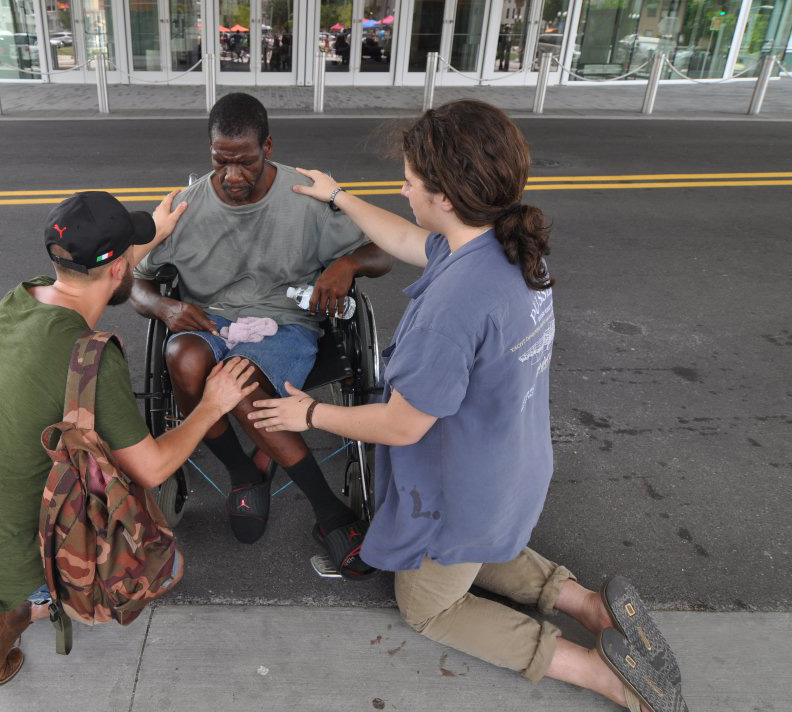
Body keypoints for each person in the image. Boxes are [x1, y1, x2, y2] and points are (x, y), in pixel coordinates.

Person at [249, 100, 686, 711]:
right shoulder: (504, 246)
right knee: (467, 550)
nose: (402, 188)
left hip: (462, 487)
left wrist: (309, 415)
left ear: (447, 197)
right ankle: (590, 604)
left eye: (410, 179)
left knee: (429, 605)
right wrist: (339, 197)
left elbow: (402, 426)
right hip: (510, 464)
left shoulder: (453, 309)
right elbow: (406, 238)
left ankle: (602, 672)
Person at [0, 190, 259, 687]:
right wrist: (211, 405)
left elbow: (106, 272)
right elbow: (151, 468)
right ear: (117, 271)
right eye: (131, 258)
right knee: (161, 558)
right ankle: (23, 609)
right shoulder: (88, 356)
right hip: (10, 556)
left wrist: (149, 234)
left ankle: (9, 599)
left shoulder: (18, 300)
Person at [130, 92, 391, 573]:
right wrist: (165, 307)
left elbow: (383, 250)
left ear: (267, 147)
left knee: (240, 378)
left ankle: (328, 512)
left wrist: (347, 263)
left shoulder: (304, 197)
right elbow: (136, 280)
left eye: (245, 162)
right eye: (221, 161)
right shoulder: (186, 208)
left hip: (287, 323)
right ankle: (243, 472)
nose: (232, 175)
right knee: (183, 358)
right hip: (211, 321)